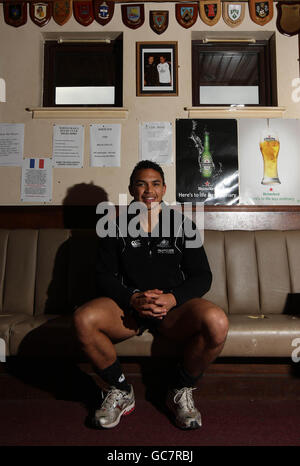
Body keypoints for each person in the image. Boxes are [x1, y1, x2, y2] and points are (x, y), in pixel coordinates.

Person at [73, 160, 228, 430]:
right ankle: (120, 390)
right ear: (132, 188)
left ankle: (180, 389)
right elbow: (103, 276)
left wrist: (172, 299)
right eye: (141, 183)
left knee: (217, 322)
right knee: (83, 319)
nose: (149, 190)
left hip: (172, 310)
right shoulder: (114, 227)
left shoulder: (183, 226)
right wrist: (132, 298)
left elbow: (202, 276)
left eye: (155, 183)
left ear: (164, 188)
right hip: (128, 310)